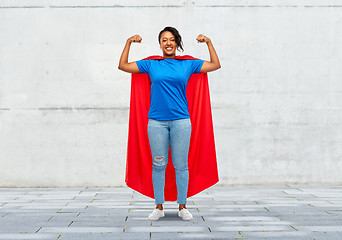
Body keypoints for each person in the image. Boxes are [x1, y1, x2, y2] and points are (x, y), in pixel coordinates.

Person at [118, 26, 221, 221]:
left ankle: (182, 207)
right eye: (164, 40)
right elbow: (123, 65)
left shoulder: (187, 65)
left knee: (181, 166)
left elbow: (215, 64)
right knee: (159, 165)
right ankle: (159, 207)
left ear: (177, 43)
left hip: (181, 122)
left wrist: (208, 42)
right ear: (160, 44)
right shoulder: (152, 65)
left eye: (172, 39)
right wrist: (128, 43)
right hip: (156, 123)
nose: (168, 43)